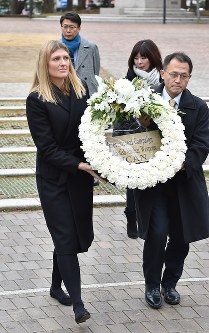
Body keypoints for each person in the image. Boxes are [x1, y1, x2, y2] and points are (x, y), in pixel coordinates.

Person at [26, 40, 103, 324]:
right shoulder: (36, 99)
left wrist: (101, 159)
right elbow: (45, 148)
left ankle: (55, 286)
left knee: (76, 235)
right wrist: (78, 164)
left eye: (65, 58)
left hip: (80, 178)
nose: (62, 63)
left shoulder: (81, 91)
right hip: (54, 178)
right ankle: (78, 305)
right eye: (56, 59)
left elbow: (89, 133)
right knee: (66, 237)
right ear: (45, 65)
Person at [134, 52, 209, 309]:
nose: (178, 80)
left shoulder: (198, 107)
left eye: (184, 76)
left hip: (184, 183)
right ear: (163, 73)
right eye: (173, 74)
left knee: (180, 236)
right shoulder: (143, 102)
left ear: (189, 78)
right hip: (154, 184)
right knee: (157, 233)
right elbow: (131, 135)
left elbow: (201, 146)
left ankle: (170, 283)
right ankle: (152, 284)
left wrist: (180, 163)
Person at [113, 39, 162, 239]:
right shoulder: (127, 81)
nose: (139, 62)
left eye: (143, 57)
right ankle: (132, 216)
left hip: (155, 138)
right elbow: (119, 112)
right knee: (133, 181)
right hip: (133, 137)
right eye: (136, 57)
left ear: (153, 58)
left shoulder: (162, 79)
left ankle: (151, 218)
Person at [60, 11, 100, 96]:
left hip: (87, 91)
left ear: (79, 28)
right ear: (61, 27)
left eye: (72, 27)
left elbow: (96, 73)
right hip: (63, 90)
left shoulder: (91, 47)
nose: (68, 30)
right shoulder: (54, 48)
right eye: (65, 27)